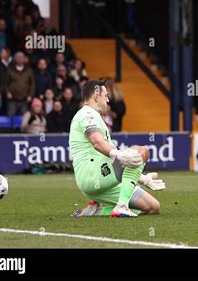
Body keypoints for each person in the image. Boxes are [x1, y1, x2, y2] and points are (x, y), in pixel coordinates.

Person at [69, 80, 165, 218]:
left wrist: (143, 179)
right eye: (106, 95)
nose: (108, 100)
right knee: (141, 151)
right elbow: (97, 142)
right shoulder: (87, 114)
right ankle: (121, 206)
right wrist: (119, 155)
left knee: (153, 207)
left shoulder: (94, 116)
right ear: (96, 96)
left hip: (102, 180)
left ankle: (96, 211)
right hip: (92, 174)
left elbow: (116, 159)